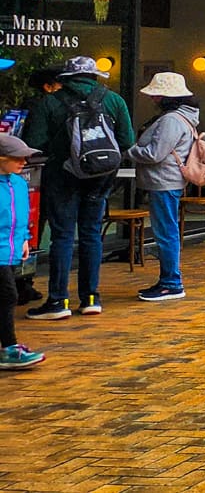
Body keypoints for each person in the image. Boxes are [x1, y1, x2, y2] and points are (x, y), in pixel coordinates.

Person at [23, 56, 135, 320]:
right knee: (91, 233)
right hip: (101, 175)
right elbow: (126, 140)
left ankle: (58, 301)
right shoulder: (114, 100)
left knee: (62, 236)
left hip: (62, 176)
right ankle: (91, 298)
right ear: (95, 76)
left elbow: (33, 143)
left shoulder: (50, 102)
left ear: (66, 77)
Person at [126, 73, 203, 302]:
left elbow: (154, 154)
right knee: (167, 231)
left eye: (157, 95)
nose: (154, 99)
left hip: (164, 181)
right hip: (168, 181)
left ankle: (171, 282)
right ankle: (169, 280)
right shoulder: (183, 117)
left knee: (165, 232)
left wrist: (128, 151)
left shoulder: (171, 120)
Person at [1, 134, 45, 369]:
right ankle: (9, 347)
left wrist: (25, 240)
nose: (24, 163)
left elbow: (20, 217)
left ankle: (9, 347)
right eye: (18, 158)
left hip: (9, 249)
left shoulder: (17, 183)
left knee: (7, 294)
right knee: (8, 295)